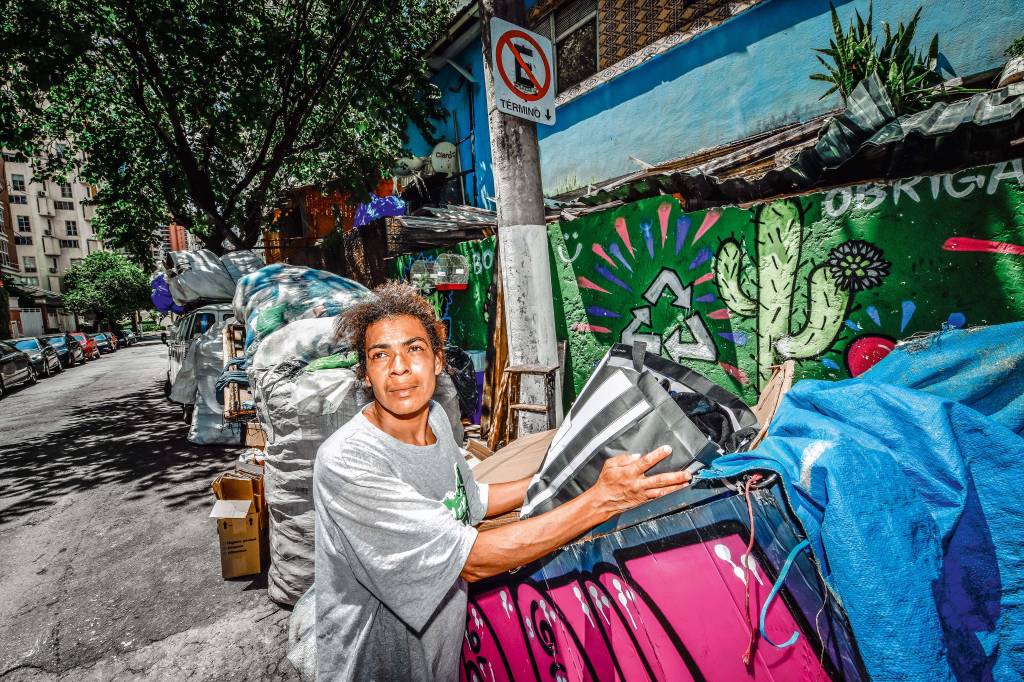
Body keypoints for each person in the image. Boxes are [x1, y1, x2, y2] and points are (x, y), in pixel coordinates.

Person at [313, 282, 691, 680]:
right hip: (374, 667)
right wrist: (601, 500)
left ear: (439, 360)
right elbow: (471, 560)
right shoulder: (350, 461)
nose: (400, 367)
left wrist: (568, 474)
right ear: (365, 373)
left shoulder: (436, 419)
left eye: (414, 349)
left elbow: (468, 499)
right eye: (380, 355)